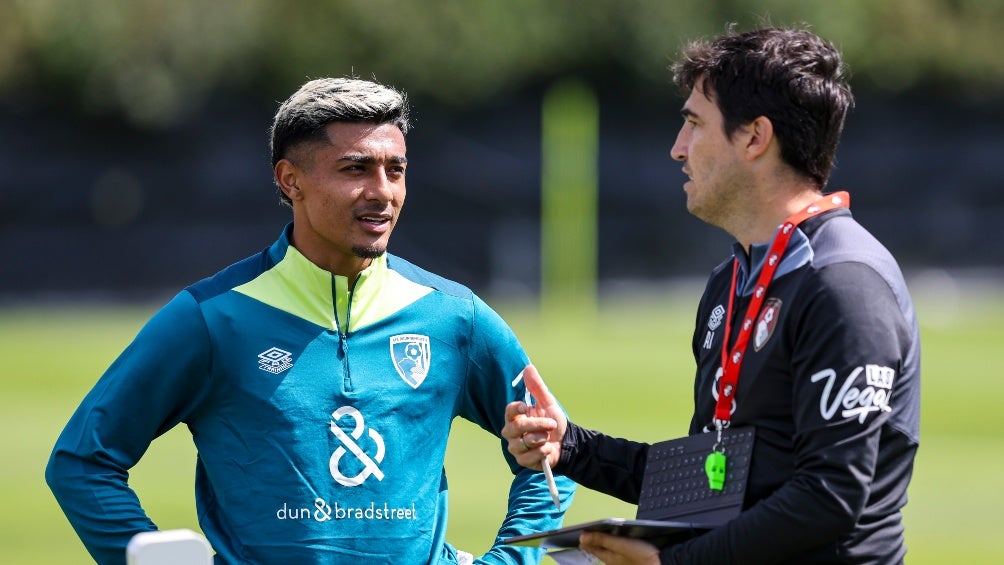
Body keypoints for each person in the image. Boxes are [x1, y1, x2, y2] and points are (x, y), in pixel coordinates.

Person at [46, 77, 575, 565]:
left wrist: (508, 562)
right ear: (290, 180)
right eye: (355, 169)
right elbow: (83, 462)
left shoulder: (454, 317)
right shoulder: (213, 318)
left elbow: (554, 452)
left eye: (396, 170)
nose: (383, 191)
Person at [502, 25, 921, 564]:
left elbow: (830, 496)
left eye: (695, 124)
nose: (678, 148)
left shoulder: (844, 284)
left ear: (754, 137)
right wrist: (574, 448)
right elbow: (712, 480)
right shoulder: (734, 279)